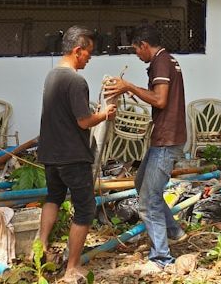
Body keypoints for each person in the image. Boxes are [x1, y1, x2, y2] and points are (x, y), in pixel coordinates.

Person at [104, 24, 187, 274]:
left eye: (136, 50)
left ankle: (161, 257)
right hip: (163, 136)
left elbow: (160, 100)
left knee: (148, 201)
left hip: (167, 139)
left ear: (143, 45)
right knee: (142, 184)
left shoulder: (161, 62)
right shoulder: (166, 60)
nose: (136, 55)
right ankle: (173, 231)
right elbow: (158, 97)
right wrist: (136, 91)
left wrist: (128, 87)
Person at [37, 26, 117, 283]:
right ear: (77, 50)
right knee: (85, 209)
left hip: (50, 153)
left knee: (53, 197)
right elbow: (83, 121)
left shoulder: (52, 76)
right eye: (88, 53)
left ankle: (40, 248)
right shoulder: (75, 81)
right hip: (72, 155)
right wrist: (104, 114)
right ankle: (72, 267)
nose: (89, 58)